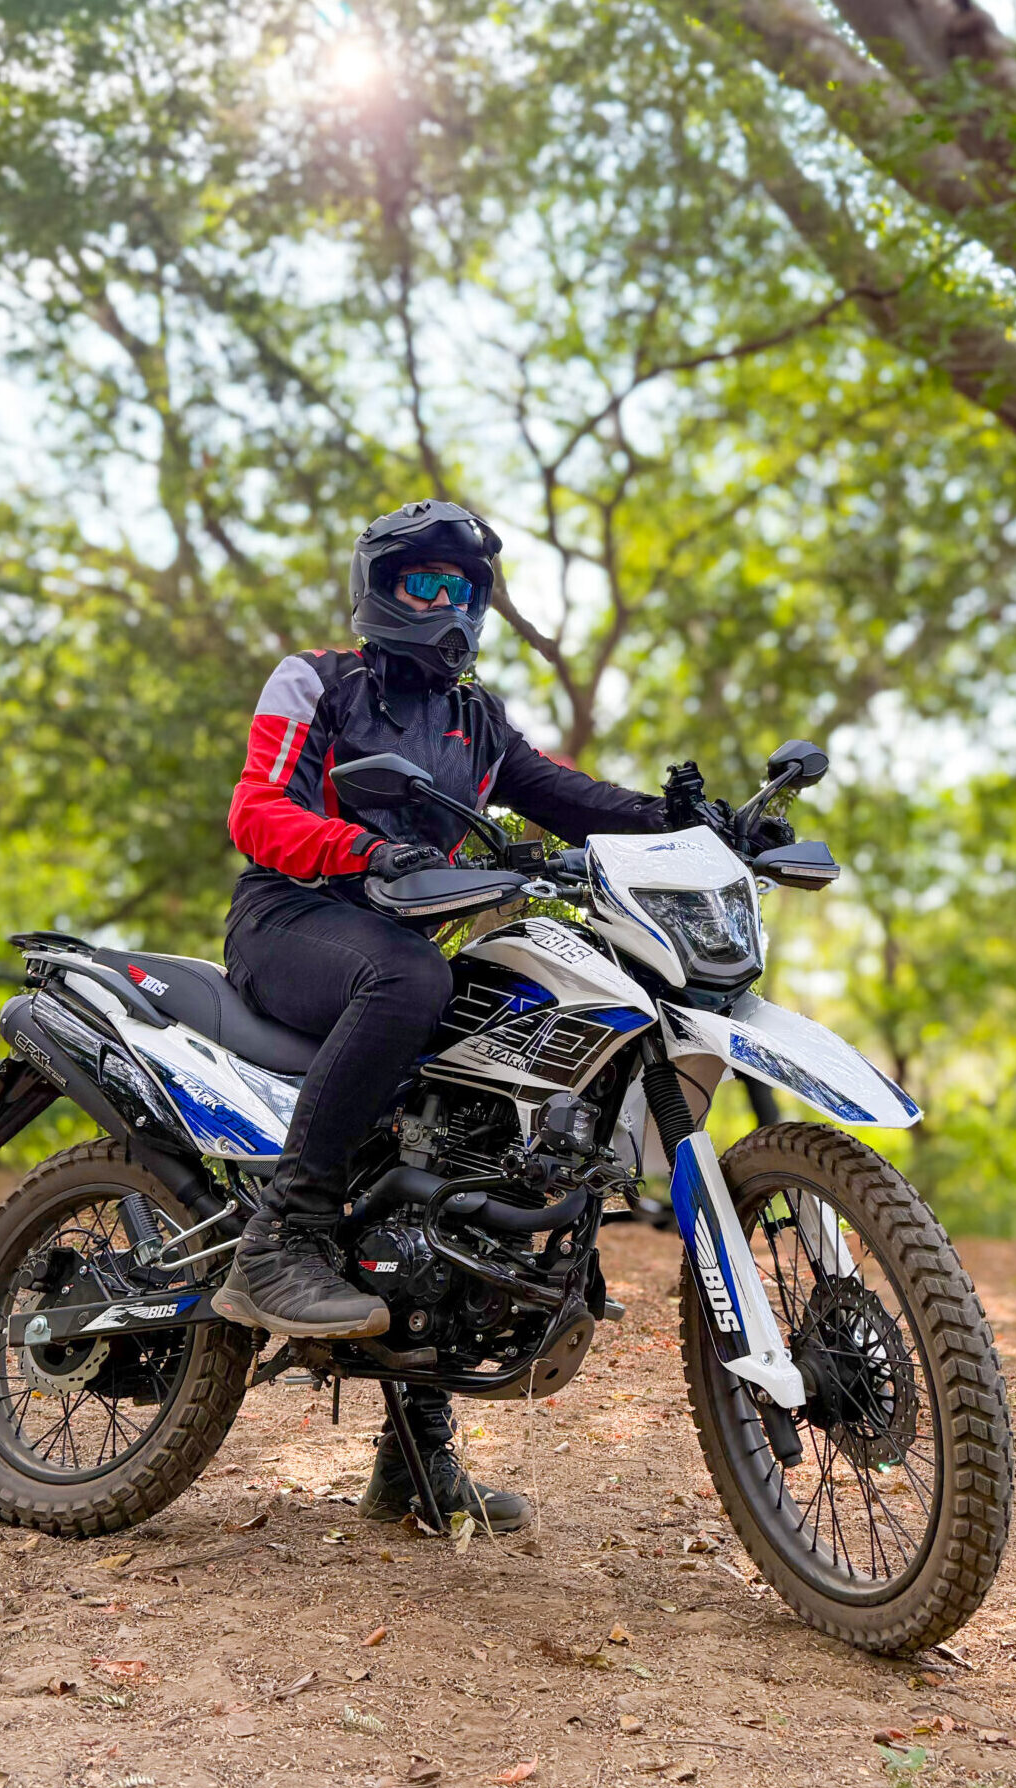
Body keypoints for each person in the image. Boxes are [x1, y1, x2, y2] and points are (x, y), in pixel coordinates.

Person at [210, 498, 668, 1527]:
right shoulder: (315, 678)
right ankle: (277, 1239)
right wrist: (364, 851)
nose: (447, 603)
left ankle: (413, 1461)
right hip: (293, 918)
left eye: (463, 589)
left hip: (404, 944)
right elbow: (256, 809)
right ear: (379, 586)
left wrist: (684, 818)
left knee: (458, 1140)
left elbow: (567, 796)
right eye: (425, 582)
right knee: (414, 981)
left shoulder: (476, 719)